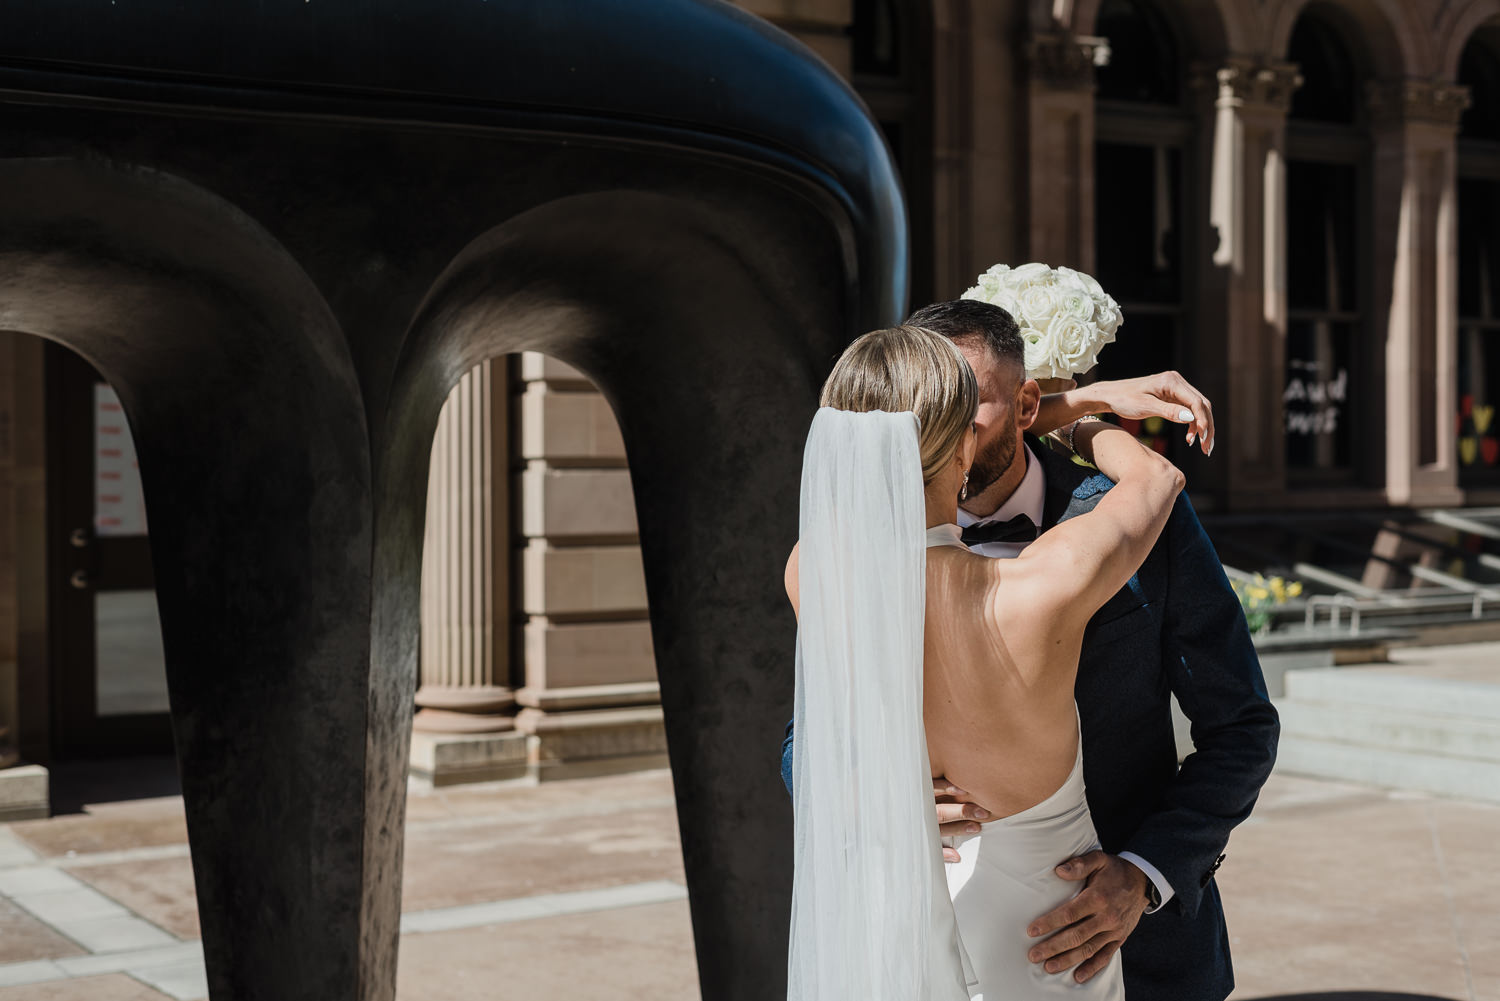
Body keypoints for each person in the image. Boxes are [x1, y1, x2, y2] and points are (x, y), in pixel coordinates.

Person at [783, 300, 1279, 1001]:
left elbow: (1243, 726)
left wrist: (1146, 872)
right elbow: (804, 740)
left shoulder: (819, 568)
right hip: (936, 928)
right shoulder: (1051, 577)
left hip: (1127, 949)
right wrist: (1081, 409)